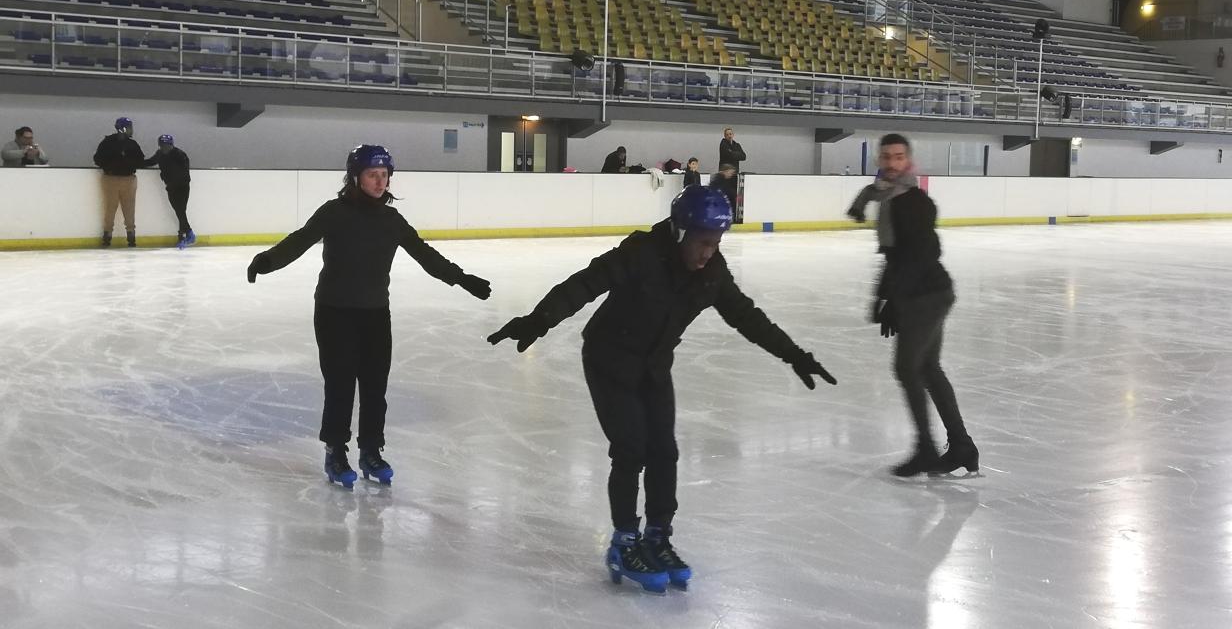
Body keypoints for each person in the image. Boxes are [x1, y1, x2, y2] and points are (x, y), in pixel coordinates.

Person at [488, 185, 836, 594]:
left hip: (653, 366)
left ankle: (658, 536)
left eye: (717, 242)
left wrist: (793, 354)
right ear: (679, 232)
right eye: (702, 242)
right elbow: (585, 284)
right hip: (609, 357)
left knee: (665, 451)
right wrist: (539, 320)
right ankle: (623, 542)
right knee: (631, 448)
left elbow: (746, 316)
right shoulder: (641, 253)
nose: (709, 252)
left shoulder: (711, 273)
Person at [245, 145, 493, 489]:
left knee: (376, 387)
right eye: (372, 175)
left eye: (384, 175)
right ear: (355, 178)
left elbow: (425, 255)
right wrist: (267, 261)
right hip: (335, 313)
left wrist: (462, 278)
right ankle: (336, 451)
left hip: (376, 314)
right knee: (341, 384)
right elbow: (300, 240)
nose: (380, 182)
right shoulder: (334, 213)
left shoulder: (392, 221)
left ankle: (371, 451)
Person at [848, 134, 978, 478]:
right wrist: (883, 297)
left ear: (909, 162)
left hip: (926, 295)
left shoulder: (913, 201)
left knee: (908, 368)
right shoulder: (888, 198)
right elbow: (893, 258)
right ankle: (962, 445)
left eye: (899, 157)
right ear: (879, 159)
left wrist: (893, 299)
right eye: (887, 157)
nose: (892, 163)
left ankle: (926, 449)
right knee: (929, 368)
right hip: (922, 293)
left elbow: (922, 255)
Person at [92, 117, 145, 248]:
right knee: (110, 208)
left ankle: (131, 235)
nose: (132, 130)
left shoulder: (133, 144)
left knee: (129, 209)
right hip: (111, 179)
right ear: (123, 128)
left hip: (129, 179)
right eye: (130, 127)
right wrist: (113, 163)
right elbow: (97, 159)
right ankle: (107, 235)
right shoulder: (107, 142)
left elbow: (140, 160)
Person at [144, 134, 195, 248]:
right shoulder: (160, 154)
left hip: (182, 187)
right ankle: (189, 234)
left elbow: (185, 172)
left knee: (181, 210)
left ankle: (184, 237)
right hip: (171, 187)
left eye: (167, 145)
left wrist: (176, 180)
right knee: (179, 212)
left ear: (172, 145)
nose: (164, 148)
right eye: (162, 146)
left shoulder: (180, 154)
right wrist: (135, 163)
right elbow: (151, 161)